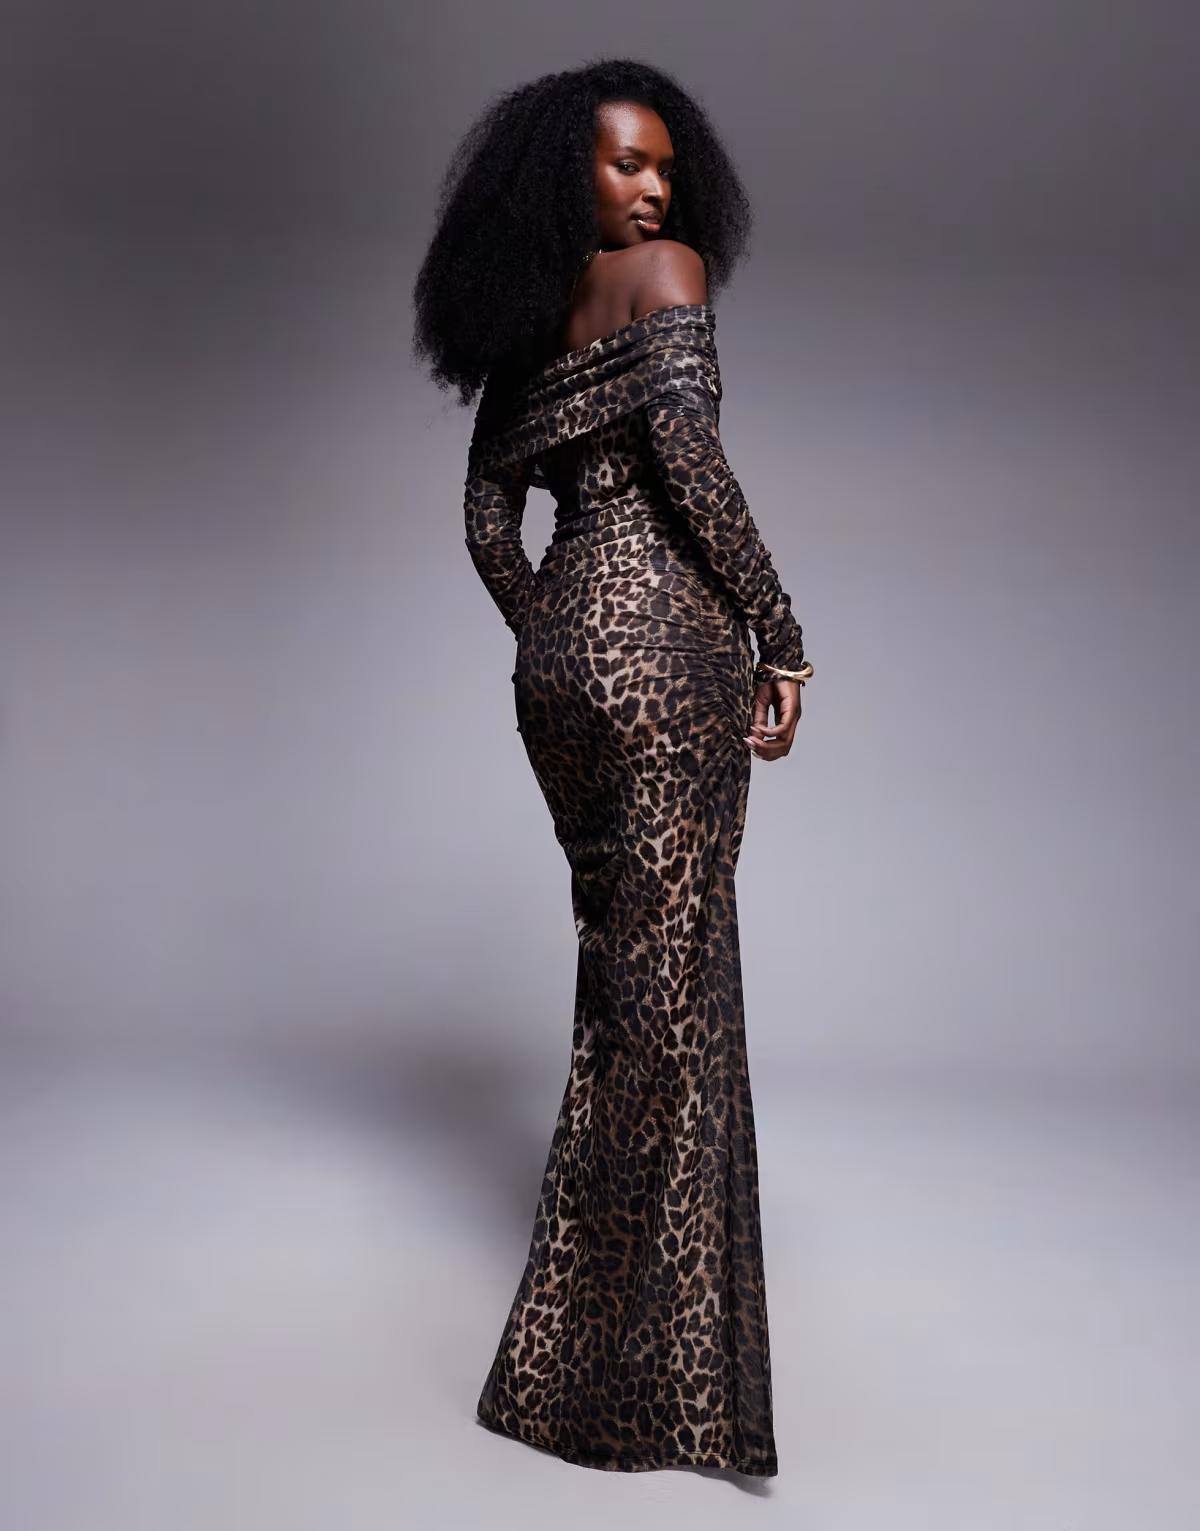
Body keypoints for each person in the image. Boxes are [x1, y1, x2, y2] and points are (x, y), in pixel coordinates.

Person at [412, 58, 813, 1478]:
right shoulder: (671, 279)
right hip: (670, 660)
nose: (652, 193)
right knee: (670, 987)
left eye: (663, 170)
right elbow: (691, 467)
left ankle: (635, 1352)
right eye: (625, 165)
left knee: (627, 981)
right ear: (564, 177)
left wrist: (558, 633)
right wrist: (782, 634)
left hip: (563, 672)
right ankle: (613, 1376)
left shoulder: (529, 331)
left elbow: (487, 525)